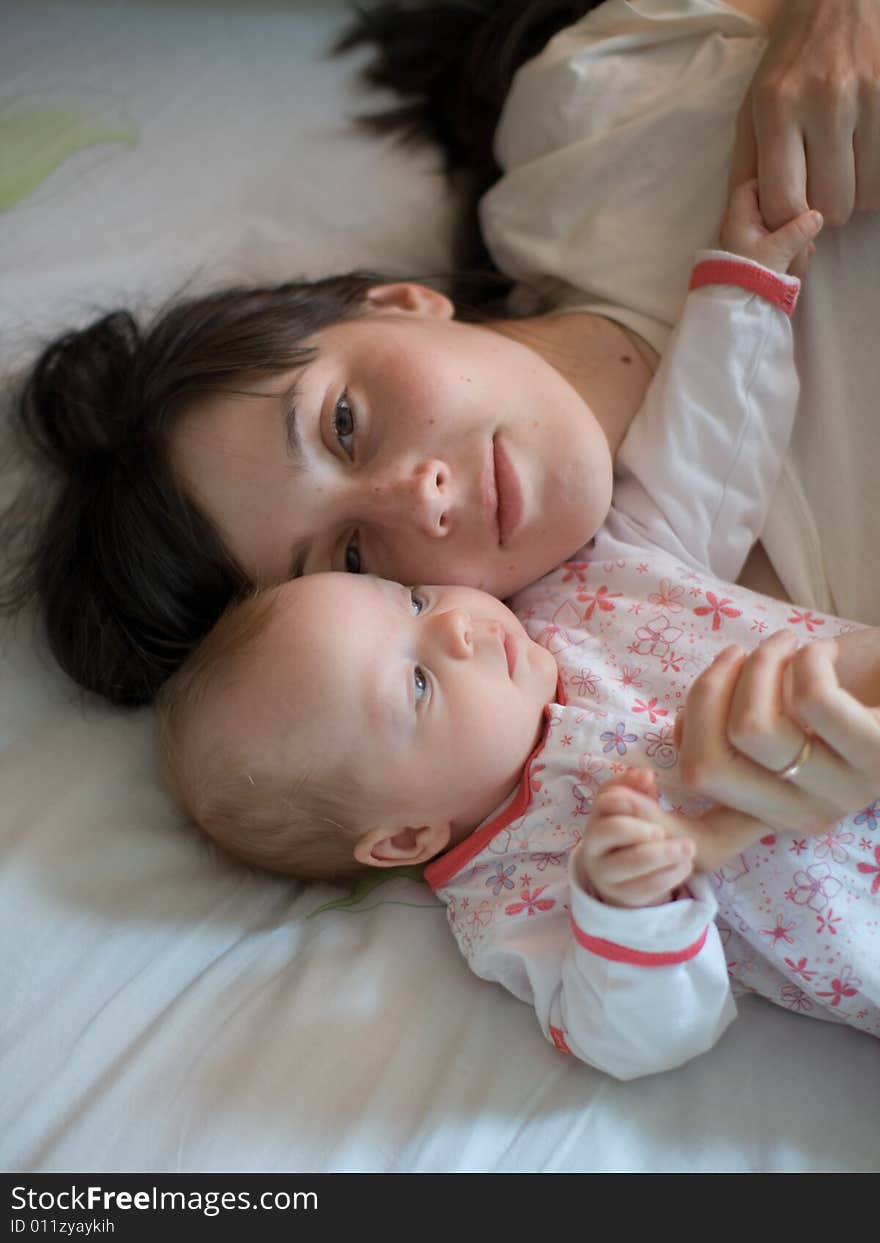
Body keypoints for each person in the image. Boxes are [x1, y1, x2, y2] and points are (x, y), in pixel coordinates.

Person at [155, 188, 880, 1079]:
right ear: (404, 837)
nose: (455, 630)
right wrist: (628, 910)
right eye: (416, 685)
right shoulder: (512, 890)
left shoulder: (581, 585)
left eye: (412, 603)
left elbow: (704, 464)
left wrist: (741, 294)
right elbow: (641, 1036)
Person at [4, 0, 880, 711]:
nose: (413, 499)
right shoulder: (763, 655)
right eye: (351, 560)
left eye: (342, 424)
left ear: (394, 301)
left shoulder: (589, 121)